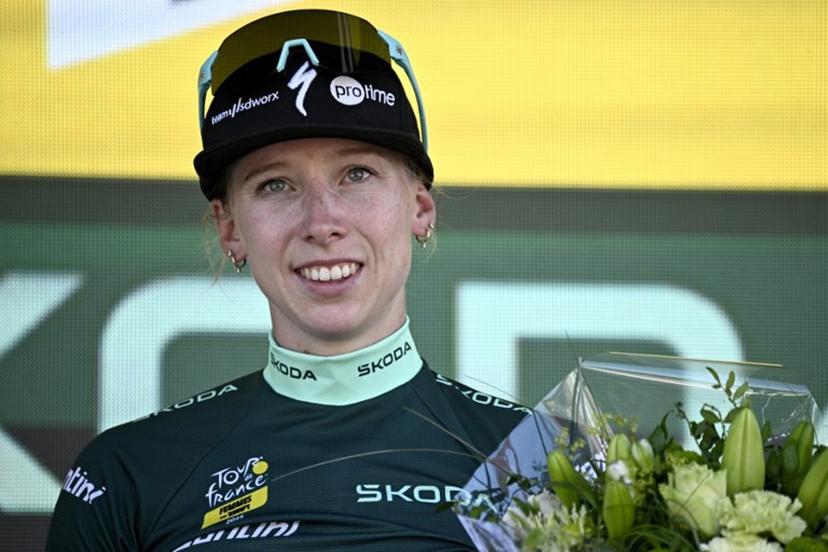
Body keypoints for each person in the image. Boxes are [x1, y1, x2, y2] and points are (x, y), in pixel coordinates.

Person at [47, 9, 528, 551]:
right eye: (275, 186)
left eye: (357, 174)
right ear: (230, 228)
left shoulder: (539, 458)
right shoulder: (128, 473)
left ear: (419, 207)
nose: (322, 222)